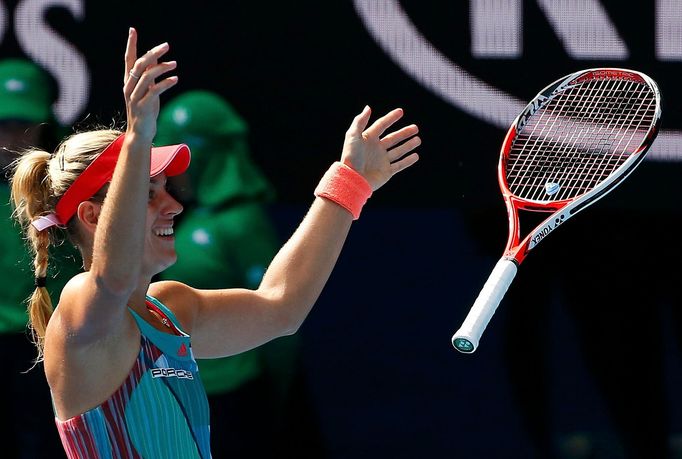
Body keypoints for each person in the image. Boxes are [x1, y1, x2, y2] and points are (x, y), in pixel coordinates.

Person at [9, 27, 420, 458]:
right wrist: (136, 138)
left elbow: (281, 306)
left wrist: (349, 182)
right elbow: (113, 278)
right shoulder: (79, 307)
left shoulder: (173, 310)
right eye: (149, 193)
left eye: (166, 187)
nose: (173, 205)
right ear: (93, 215)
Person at [155, 90, 325, 457]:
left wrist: (278, 398)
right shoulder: (181, 219)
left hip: (236, 400)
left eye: (179, 159)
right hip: (187, 395)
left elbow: (280, 320)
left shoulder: (239, 223)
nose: (169, 174)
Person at [0, 57, 81, 458]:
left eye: (23, 124)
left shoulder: (74, 179)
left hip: (61, 336)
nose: (11, 137)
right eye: (3, 125)